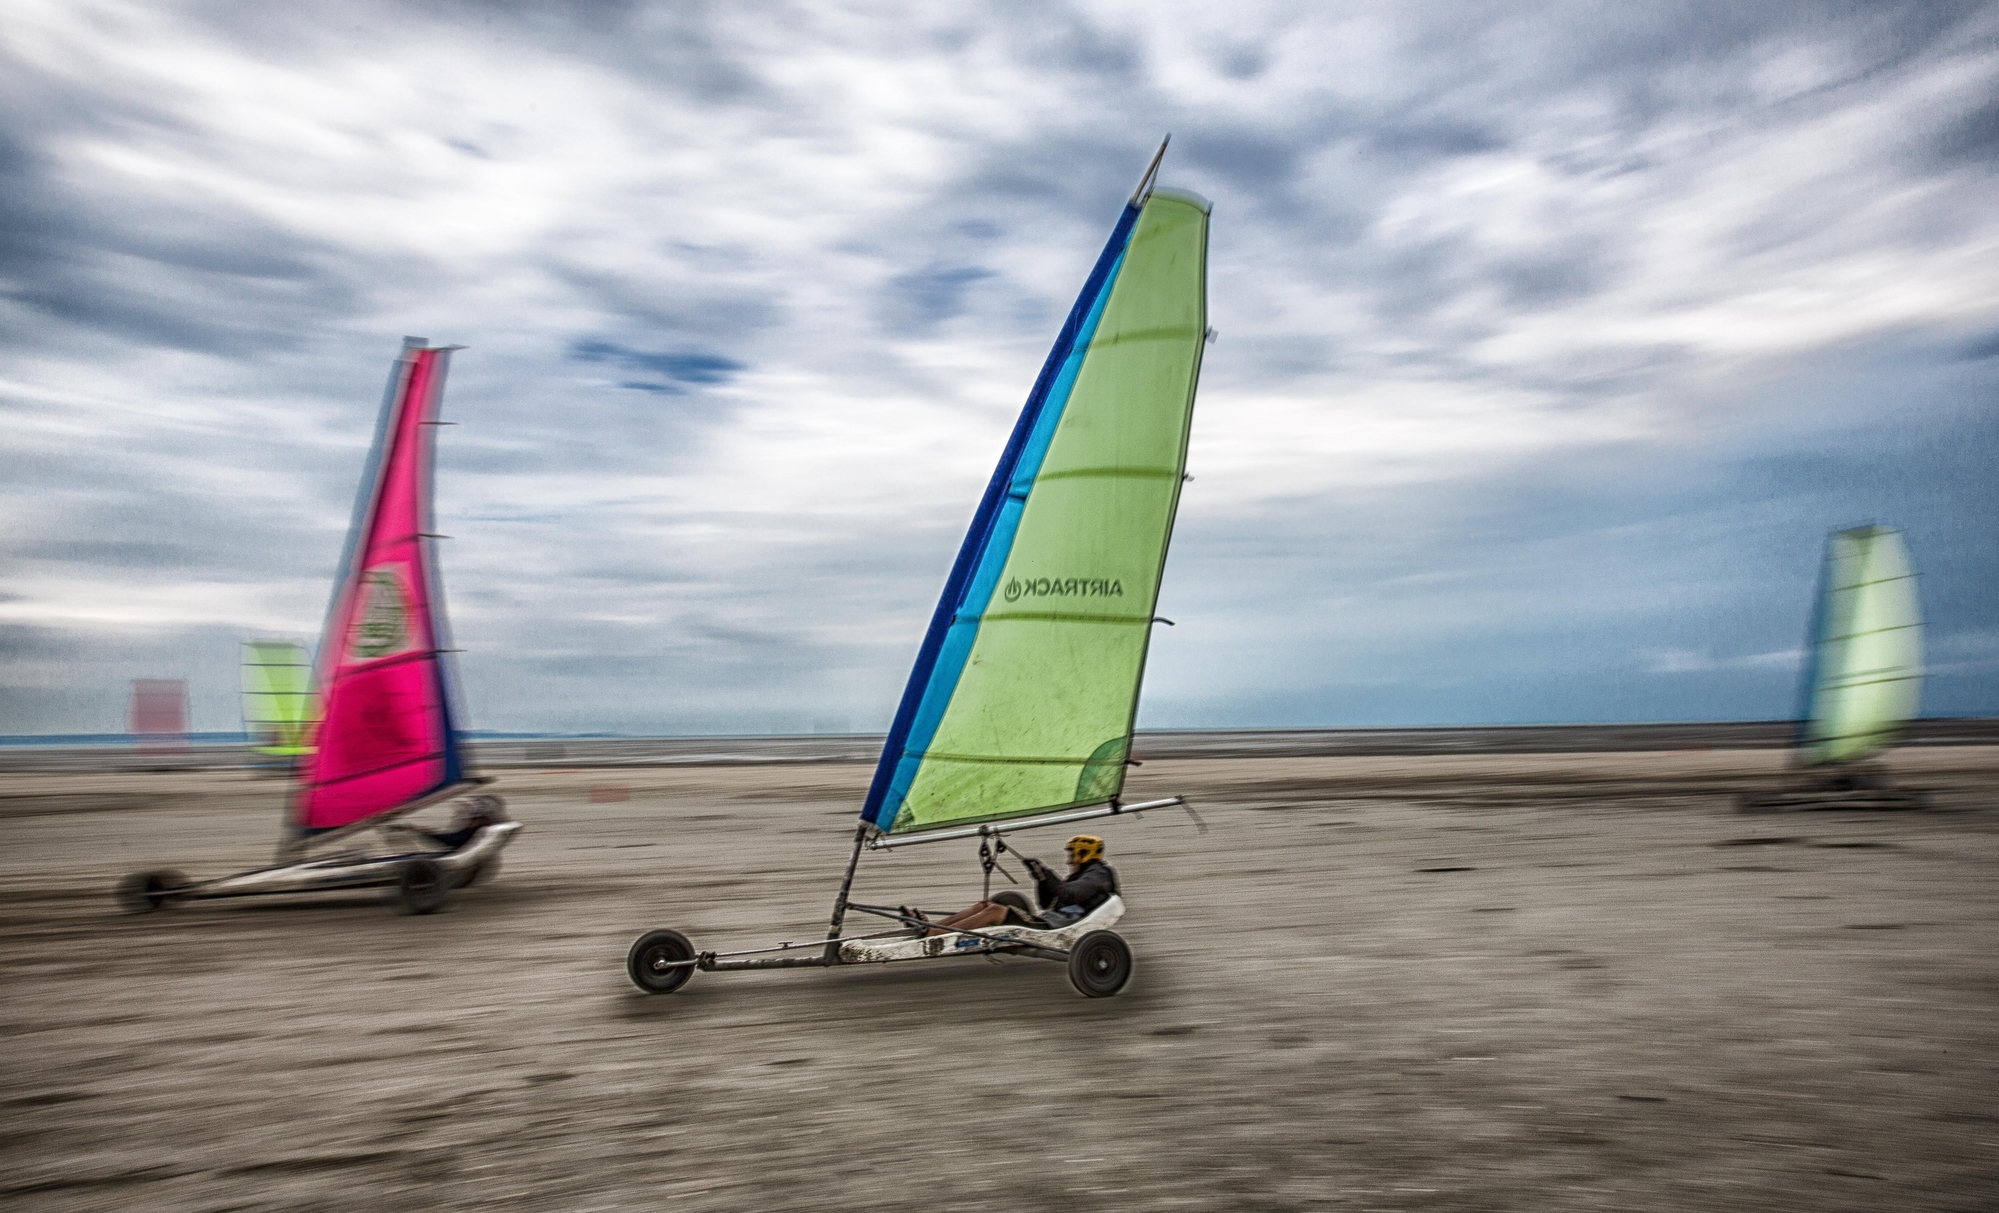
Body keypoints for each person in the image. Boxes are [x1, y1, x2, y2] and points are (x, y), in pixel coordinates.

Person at [912, 834, 1119, 935]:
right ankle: (933, 927)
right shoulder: (1085, 876)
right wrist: (1039, 877)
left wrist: (1046, 874)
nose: (1069, 861)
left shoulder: (1099, 877)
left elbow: (1068, 895)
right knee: (985, 906)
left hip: (1052, 928)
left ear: (1085, 854)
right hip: (1049, 920)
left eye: (1072, 856)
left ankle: (932, 934)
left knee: (994, 911)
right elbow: (1049, 902)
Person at [402, 795, 506, 852]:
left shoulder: (478, 822)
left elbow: (454, 838)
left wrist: (423, 830)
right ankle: (414, 828)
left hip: (454, 841)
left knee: (426, 831)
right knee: (427, 830)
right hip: (456, 840)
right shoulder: (485, 824)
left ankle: (413, 828)